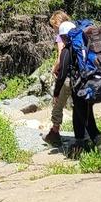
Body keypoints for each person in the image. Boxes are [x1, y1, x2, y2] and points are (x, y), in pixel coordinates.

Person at [53, 23, 101, 154]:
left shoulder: (68, 49)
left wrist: (56, 93)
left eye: (62, 37)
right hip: (93, 83)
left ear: (64, 36)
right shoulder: (86, 44)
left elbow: (62, 74)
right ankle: (79, 146)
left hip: (80, 87)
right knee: (80, 114)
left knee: (88, 120)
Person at [44, 13, 74, 149]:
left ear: (57, 23)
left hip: (67, 75)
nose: (54, 29)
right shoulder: (75, 30)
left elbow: (61, 56)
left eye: (53, 26)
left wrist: (54, 69)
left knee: (58, 103)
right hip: (80, 74)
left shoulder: (61, 35)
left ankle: (54, 132)